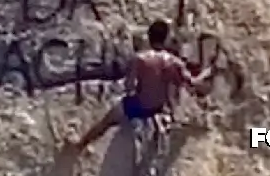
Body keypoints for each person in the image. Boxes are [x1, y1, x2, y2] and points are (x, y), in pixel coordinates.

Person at [68, 19, 214, 153]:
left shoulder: (140, 59)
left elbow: (129, 86)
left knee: (107, 121)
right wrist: (207, 72)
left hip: (139, 105)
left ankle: (80, 144)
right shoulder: (174, 62)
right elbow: (192, 83)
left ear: (149, 37)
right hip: (158, 108)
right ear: (166, 39)